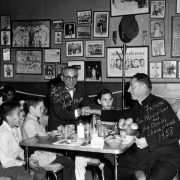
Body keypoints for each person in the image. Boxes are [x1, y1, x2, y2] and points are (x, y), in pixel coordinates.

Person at [87, 73, 180, 180]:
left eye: (132, 86)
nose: (128, 90)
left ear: (143, 87)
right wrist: (93, 111)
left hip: (165, 157)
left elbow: (176, 130)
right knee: (111, 168)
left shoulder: (161, 104)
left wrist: (148, 141)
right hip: (145, 155)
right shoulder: (137, 106)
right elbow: (118, 114)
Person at [22, 97, 76, 180]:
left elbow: (42, 136)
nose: (43, 110)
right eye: (40, 108)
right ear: (32, 109)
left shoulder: (34, 120)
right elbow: (35, 144)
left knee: (66, 157)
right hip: (38, 156)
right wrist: (52, 152)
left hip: (42, 152)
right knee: (69, 162)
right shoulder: (30, 123)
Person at [0, 101, 45, 180]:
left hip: (14, 161)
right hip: (4, 166)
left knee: (41, 171)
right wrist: (26, 163)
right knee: (26, 177)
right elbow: (6, 162)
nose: (21, 117)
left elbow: (19, 149)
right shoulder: (3, 134)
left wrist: (28, 159)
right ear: (9, 118)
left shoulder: (15, 128)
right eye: (18, 114)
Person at [75, 89, 115, 180]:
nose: (108, 102)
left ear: (112, 100)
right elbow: (93, 132)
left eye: (110, 99)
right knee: (79, 157)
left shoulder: (115, 115)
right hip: (96, 149)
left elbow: (117, 136)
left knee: (106, 166)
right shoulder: (95, 116)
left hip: (108, 152)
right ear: (99, 101)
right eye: (105, 100)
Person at [48, 66, 98, 131]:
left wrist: (104, 110)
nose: (71, 81)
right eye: (68, 77)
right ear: (62, 78)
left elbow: (89, 103)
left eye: (74, 77)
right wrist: (79, 111)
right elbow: (62, 114)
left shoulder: (80, 88)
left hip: (73, 128)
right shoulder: (54, 92)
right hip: (57, 129)